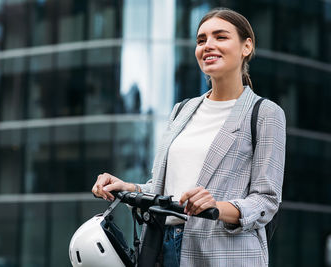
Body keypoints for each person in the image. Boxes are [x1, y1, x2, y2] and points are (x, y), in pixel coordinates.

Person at [92, 7, 286, 267]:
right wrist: (129, 188)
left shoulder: (265, 113)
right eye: (201, 40)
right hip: (163, 248)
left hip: (224, 254)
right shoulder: (181, 110)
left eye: (220, 37)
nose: (208, 45)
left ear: (246, 47)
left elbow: (266, 200)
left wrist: (216, 207)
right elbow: (165, 191)